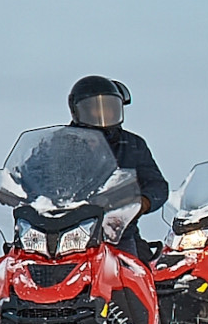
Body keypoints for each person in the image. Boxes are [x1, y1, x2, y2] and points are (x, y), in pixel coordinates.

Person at [66, 75, 167, 248]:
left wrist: (143, 201)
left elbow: (156, 184)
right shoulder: (59, 144)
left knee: (132, 270)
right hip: (65, 228)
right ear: (78, 111)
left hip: (116, 231)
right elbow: (32, 174)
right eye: (95, 108)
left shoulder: (132, 145)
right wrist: (13, 188)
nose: (103, 113)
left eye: (109, 107)